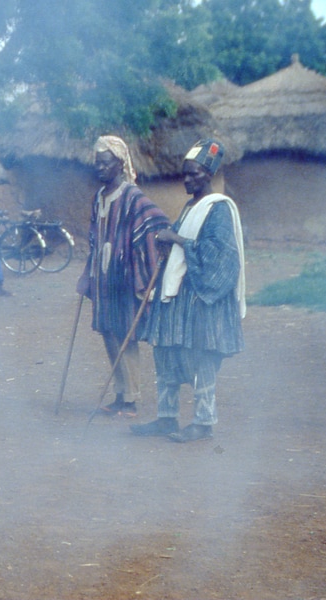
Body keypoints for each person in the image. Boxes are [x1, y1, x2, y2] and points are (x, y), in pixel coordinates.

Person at [132, 139, 245, 443]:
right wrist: (167, 242)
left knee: (200, 359)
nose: (187, 179)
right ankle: (167, 418)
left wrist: (179, 240)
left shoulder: (217, 208)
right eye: (184, 173)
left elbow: (222, 256)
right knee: (166, 354)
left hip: (201, 302)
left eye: (194, 174)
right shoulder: (191, 206)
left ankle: (204, 422)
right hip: (178, 298)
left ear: (208, 175)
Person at [75, 135, 170, 418]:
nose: (100, 168)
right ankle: (119, 393)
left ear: (119, 164)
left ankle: (132, 398)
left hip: (124, 277)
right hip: (103, 278)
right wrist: (86, 274)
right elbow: (94, 239)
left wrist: (141, 260)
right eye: (97, 164)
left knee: (125, 334)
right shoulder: (99, 198)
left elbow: (157, 222)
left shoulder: (132, 196)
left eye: (105, 163)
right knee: (107, 331)